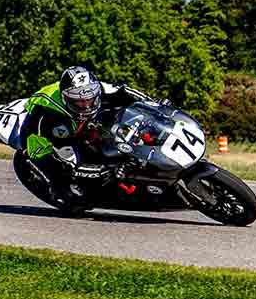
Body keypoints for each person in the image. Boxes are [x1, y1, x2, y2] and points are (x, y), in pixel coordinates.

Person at [18, 66, 159, 211]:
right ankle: (62, 193)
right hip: (43, 143)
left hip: (74, 121)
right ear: (66, 99)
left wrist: (154, 104)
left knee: (107, 123)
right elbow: (71, 165)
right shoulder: (49, 116)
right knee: (74, 193)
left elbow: (123, 91)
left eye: (90, 100)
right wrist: (108, 170)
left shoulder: (94, 87)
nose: (86, 105)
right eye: (79, 102)